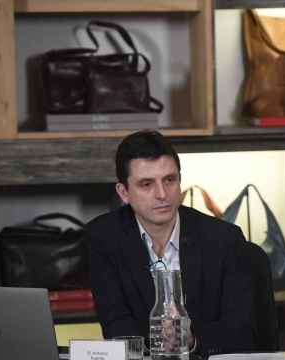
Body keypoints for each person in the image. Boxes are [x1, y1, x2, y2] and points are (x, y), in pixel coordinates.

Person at [87, 130, 255, 356]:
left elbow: (242, 331)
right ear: (124, 192)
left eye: (169, 180)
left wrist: (192, 338)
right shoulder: (103, 237)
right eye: (146, 184)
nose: (162, 194)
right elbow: (116, 326)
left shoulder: (224, 240)